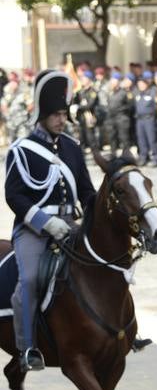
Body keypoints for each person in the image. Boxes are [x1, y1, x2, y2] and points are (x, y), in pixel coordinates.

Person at [4, 70, 96, 371]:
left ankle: (120, 331)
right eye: (55, 114)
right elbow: (14, 196)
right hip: (35, 230)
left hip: (71, 224)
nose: (60, 119)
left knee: (104, 265)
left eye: (63, 113)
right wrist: (45, 222)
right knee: (28, 281)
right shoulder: (21, 151)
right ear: (42, 115)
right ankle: (28, 347)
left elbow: (86, 190)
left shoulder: (71, 147)